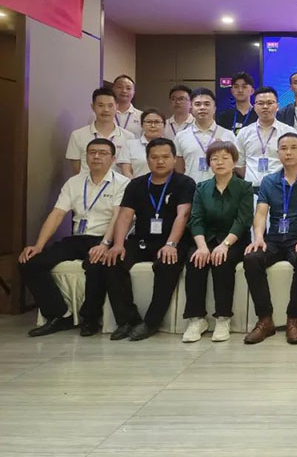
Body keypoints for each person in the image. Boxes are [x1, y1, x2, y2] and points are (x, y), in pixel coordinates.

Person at [19, 139, 128, 337]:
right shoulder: (74, 182)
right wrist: (39, 245)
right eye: (92, 152)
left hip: (104, 237)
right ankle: (59, 315)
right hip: (78, 237)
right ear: (86, 156)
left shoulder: (122, 183)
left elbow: (118, 216)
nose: (96, 156)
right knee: (31, 262)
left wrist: (105, 244)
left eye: (103, 153)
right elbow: (57, 214)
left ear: (113, 159)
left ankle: (90, 318)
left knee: (95, 264)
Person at [103, 138, 196, 340]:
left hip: (173, 241)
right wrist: (117, 244)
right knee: (113, 260)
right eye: (154, 157)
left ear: (174, 159)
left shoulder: (185, 183)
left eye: (165, 157)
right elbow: (125, 216)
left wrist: (171, 244)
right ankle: (128, 320)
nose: (160, 161)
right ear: (147, 160)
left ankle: (151, 322)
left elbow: (183, 215)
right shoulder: (136, 185)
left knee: (166, 264)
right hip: (142, 239)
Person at [243, 132, 297, 345]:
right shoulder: (269, 181)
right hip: (275, 238)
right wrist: (258, 237)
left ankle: (294, 319)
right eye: (284, 148)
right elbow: (261, 213)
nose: (289, 152)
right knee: (251, 258)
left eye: (294, 148)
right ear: (277, 153)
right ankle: (265, 320)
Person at [183, 141, 254, 343]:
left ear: (234, 162)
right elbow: (196, 219)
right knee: (195, 260)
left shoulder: (244, 187)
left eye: (225, 158)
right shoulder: (202, 188)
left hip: (234, 239)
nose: (219, 162)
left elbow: (243, 220)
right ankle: (196, 319)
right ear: (209, 163)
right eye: (214, 159)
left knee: (222, 261)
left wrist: (224, 245)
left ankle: (223, 317)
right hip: (206, 239)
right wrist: (202, 247)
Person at [235, 86, 294, 188]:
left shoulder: (289, 132)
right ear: (254, 107)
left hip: (280, 188)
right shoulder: (244, 133)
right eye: (261, 103)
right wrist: (252, 178)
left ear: (277, 106)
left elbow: (294, 163)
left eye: (270, 103)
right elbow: (239, 165)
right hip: (251, 189)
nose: (265, 106)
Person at [67, 87, 133, 177]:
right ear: (93, 107)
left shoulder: (128, 137)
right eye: (101, 105)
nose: (106, 110)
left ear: (117, 107)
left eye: (110, 106)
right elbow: (76, 170)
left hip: (118, 185)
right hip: (87, 184)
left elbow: (129, 169)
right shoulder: (77, 135)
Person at [175, 88, 237, 183]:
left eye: (207, 104)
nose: (202, 107)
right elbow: (179, 169)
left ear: (214, 108)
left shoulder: (228, 135)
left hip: (220, 188)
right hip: (191, 188)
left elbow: (234, 165)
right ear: (191, 108)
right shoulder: (181, 136)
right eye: (197, 104)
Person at [128, 109, 166, 178]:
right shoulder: (130, 145)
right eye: (149, 122)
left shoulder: (171, 146)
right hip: (137, 183)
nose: (153, 125)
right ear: (142, 125)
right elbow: (126, 171)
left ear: (164, 125)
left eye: (157, 122)